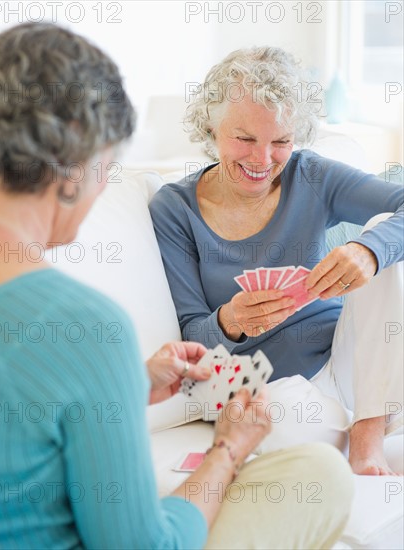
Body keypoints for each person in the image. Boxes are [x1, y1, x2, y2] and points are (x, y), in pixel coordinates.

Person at [0, 23, 353, 549]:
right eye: (106, 169)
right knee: (322, 474)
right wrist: (227, 450)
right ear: (75, 164)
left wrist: (126, 384)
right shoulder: (84, 327)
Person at [149, 46, 404, 476]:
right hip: (270, 386)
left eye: (281, 142)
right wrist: (231, 319)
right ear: (211, 127)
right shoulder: (174, 210)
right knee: (276, 423)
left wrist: (368, 251)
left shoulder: (312, 175)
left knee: (386, 237)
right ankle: (380, 412)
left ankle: (369, 429)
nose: (262, 160)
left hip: (350, 355)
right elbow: (194, 336)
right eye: (245, 138)